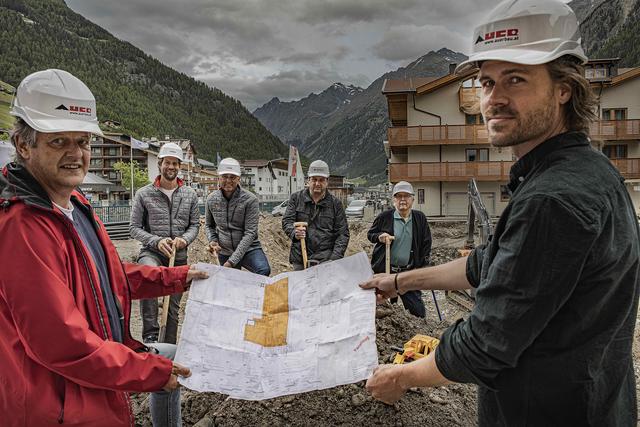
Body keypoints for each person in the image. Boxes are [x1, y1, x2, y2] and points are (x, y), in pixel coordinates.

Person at [361, 1, 640, 425]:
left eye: (516, 79)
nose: (494, 99)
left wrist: (401, 377)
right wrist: (399, 281)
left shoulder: (552, 200)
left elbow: (485, 343)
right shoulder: (588, 170)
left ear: (564, 87)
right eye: (487, 82)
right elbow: (487, 263)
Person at [0, 69, 208, 426]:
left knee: (170, 359)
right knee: (166, 366)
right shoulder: (23, 227)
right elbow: (64, 344)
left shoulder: (74, 205)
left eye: (82, 141)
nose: (75, 153)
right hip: (58, 401)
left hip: (94, 375)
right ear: (23, 145)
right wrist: (149, 371)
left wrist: (176, 277)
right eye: (58, 141)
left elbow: (106, 277)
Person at [130, 142, 200, 345]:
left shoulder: (190, 195)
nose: (171, 167)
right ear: (160, 164)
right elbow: (134, 227)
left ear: (180, 166)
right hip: (152, 252)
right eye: (167, 162)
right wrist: (156, 240)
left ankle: (169, 345)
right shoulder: (144, 194)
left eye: (175, 163)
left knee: (173, 306)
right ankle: (150, 339)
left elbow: (194, 225)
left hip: (178, 256)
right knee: (149, 279)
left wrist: (184, 239)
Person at [367, 181, 431, 318]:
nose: (402, 200)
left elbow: (426, 244)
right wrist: (380, 236)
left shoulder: (419, 218)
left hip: (408, 273)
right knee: (381, 310)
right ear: (393, 199)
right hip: (385, 272)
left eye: (406, 196)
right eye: (399, 196)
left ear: (412, 199)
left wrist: (423, 268)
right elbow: (370, 234)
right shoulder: (384, 217)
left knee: (418, 313)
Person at [205, 157, 271, 275]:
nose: (228, 180)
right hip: (225, 250)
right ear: (219, 177)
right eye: (225, 176)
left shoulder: (250, 200)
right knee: (229, 287)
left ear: (239, 179)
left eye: (232, 177)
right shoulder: (211, 199)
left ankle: (252, 293)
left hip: (249, 249)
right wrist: (213, 240)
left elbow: (250, 233)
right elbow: (209, 225)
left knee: (263, 270)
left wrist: (231, 262)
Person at [282, 160, 350, 270]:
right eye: (314, 179)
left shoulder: (335, 204)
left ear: (327, 181)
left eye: (321, 180)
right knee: (301, 286)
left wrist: (334, 259)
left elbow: (343, 234)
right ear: (308, 180)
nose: (317, 183)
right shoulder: (296, 198)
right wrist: (294, 233)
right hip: (300, 256)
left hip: (325, 259)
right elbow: (287, 222)